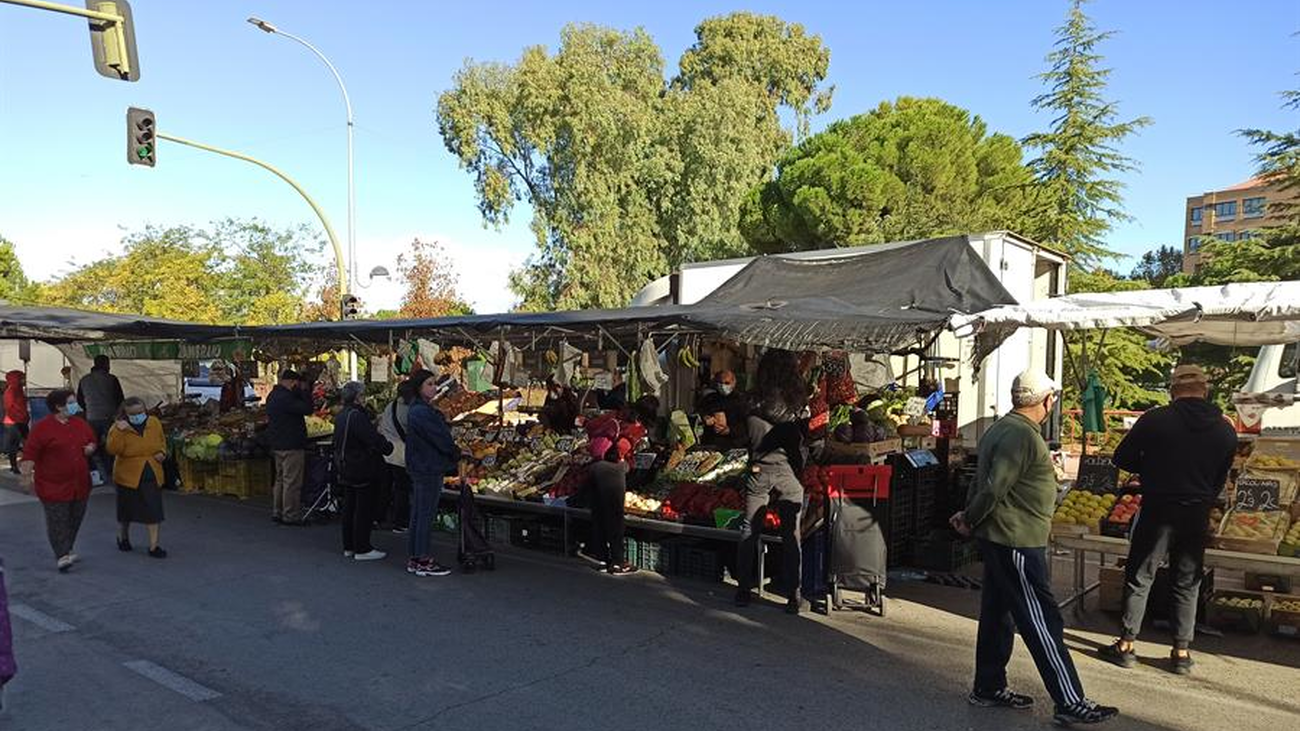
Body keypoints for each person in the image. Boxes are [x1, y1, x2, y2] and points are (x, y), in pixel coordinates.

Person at [950, 369, 1118, 726]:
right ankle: (1069, 700)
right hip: (1017, 540)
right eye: (1053, 398)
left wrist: (970, 516)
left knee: (998, 615)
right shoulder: (1021, 436)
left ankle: (988, 687)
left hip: (1003, 537)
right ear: (1046, 400)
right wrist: (970, 517)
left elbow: (985, 482)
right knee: (1041, 619)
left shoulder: (1002, 428)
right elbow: (994, 487)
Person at [1100, 364, 1236, 675]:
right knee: (1187, 580)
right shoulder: (1225, 429)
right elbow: (1220, 477)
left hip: (1158, 506)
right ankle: (1181, 651)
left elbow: (1121, 458)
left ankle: (1126, 644)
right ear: (1205, 390)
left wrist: (1151, 465)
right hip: (1198, 510)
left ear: (1173, 390)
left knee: (1141, 575)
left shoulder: (1156, 419)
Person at [734, 350, 809, 615]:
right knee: (791, 534)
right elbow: (805, 440)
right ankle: (794, 596)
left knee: (749, 530)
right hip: (787, 472)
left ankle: (743, 590)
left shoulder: (750, 399)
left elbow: (740, 436)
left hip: (757, 470)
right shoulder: (796, 403)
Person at [20, 390, 97, 573]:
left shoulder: (80, 424)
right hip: (52, 484)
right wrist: (26, 476)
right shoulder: (42, 428)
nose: (75, 405)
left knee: (75, 517)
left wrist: (90, 448)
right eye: (71, 402)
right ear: (59, 406)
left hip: (80, 483)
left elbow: (92, 441)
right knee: (57, 519)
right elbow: (30, 454)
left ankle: (68, 547)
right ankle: (62, 554)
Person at [404, 370, 458, 577]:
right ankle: (423, 559)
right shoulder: (422, 412)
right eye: (429, 384)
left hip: (421, 466)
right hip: (428, 467)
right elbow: (440, 439)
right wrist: (455, 453)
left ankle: (416, 557)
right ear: (419, 387)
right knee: (425, 514)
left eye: (434, 383)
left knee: (419, 513)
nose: (434, 387)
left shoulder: (418, 409)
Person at [333, 382, 394, 561]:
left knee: (350, 506)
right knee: (363, 507)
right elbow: (372, 439)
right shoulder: (357, 416)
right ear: (358, 397)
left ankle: (349, 545)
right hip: (361, 466)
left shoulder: (342, 415)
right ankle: (362, 547)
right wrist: (387, 446)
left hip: (346, 466)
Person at [106, 397, 169, 558]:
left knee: (153, 509)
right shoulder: (117, 428)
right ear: (125, 414)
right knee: (126, 508)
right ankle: (124, 537)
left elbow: (162, 441)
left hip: (151, 470)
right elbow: (113, 449)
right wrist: (120, 431)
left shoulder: (154, 422)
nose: (138, 416)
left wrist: (162, 452)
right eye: (133, 414)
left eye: (141, 412)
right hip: (127, 473)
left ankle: (154, 545)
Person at [265, 369, 313, 526]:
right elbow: (307, 409)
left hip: (277, 444)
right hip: (291, 445)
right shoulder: (287, 398)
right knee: (292, 481)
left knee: (280, 479)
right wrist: (305, 392)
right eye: (296, 384)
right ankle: (290, 514)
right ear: (293, 383)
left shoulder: (273, 396)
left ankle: (277, 511)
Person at [586, 436, 637, 575]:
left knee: (599, 527)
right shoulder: (621, 467)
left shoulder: (594, 467)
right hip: (614, 506)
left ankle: (602, 561)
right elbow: (629, 467)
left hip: (597, 506)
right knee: (615, 530)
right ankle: (618, 563)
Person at [377, 379, 416, 535]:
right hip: (400, 455)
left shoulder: (390, 406)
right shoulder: (408, 411)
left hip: (386, 453)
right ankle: (400, 522)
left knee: (385, 488)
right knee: (402, 489)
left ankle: (380, 517)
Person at [77, 355, 124, 481]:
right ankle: (112, 472)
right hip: (109, 417)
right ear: (106, 365)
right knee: (111, 445)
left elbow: (80, 400)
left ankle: (94, 473)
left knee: (92, 446)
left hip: (91, 417)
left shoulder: (84, 380)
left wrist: (89, 409)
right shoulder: (112, 379)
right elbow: (120, 399)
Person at [3, 371, 29, 475]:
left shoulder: (19, 390)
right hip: (13, 421)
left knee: (27, 443)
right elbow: (9, 408)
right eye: (22, 378)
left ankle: (27, 464)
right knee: (14, 444)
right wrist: (19, 418)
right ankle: (14, 466)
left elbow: (21, 406)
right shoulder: (11, 391)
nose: (24, 380)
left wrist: (25, 417)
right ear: (16, 379)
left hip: (21, 420)